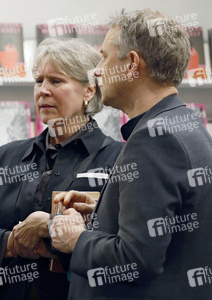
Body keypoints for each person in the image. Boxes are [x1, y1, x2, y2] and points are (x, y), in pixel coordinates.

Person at [49, 9, 212, 299]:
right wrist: (104, 213)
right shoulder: (186, 124)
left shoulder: (153, 139)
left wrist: (76, 239)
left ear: (133, 64)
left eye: (104, 57)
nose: (97, 70)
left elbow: (135, 260)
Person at [0, 38, 123, 300]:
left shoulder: (117, 159)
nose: (43, 90)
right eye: (39, 81)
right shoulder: (8, 156)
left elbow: (121, 248)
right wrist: (12, 243)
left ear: (88, 90)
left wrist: (50, 231)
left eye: (56, 81)